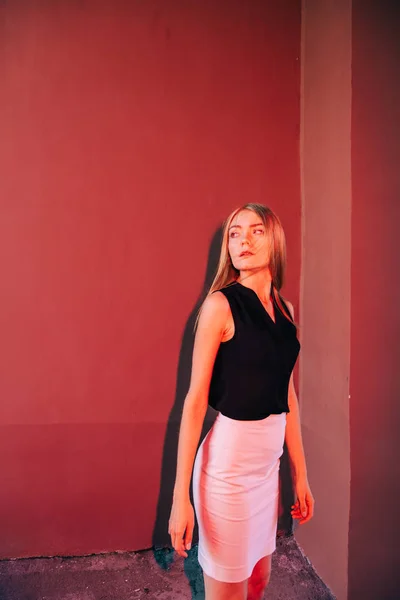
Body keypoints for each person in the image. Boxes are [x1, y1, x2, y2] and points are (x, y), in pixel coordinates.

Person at [168, 203, 314, 600]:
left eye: (256, 231)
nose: (243, 240)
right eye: (235, 233)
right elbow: (195, 401)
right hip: (226, 476)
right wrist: (181, 498)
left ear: (276, 241)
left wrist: (300, 473)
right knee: (227, 594)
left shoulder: (286, 311)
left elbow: (288, 397)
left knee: (258, 582)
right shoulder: (220, 305)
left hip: (266, 472)